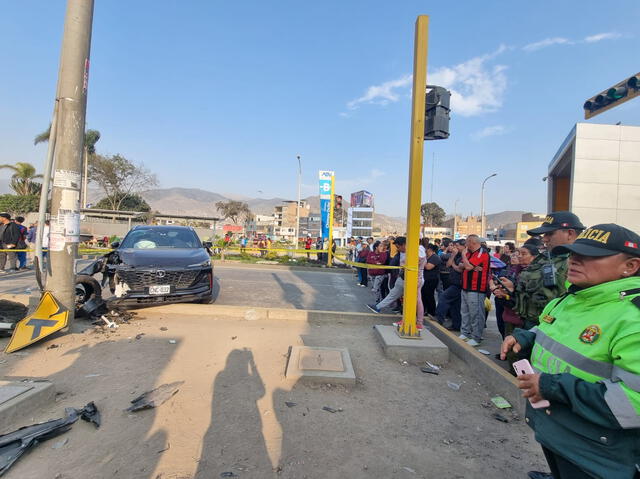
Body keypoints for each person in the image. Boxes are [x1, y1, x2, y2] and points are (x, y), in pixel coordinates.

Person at [501, 223, 640, 479]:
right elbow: (547, 332)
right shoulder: (570, 299)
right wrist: (523, 338)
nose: (575, 261)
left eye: (591, 257)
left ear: (629, 266)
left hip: (598, 454)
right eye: (575, 254)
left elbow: (634, 403)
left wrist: (553, 386)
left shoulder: (633, 318)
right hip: (558, 432)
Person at [506, 212, 585, 330]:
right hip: (530, 325)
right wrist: (512, 290)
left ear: (569, 233)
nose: (544, 239)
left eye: (549, 234)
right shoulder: (544, 258)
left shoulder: (581, 263)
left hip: (557, 328)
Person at [458, 234, 490, 347]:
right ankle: (465, 333)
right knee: (465, 312)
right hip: (466, 287)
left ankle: (476, 337)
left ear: (473, 242)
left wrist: (466, 261)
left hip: (476, 289)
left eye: (467, 242)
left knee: (476, 313)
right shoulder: (469, 253)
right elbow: (461, 265)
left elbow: (467, 266)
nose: (465, 245)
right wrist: (469, 265)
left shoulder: (482, 253)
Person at [367, 236, 406, 314]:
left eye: (398, 247)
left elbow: (389, 262)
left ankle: (415, 319)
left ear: (404, 244)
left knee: (411, 298)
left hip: (411, 279)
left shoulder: (413, 253)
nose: (397, 249)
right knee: (393, 294)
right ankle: (378, 307)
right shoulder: (400, 253)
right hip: (402, 277)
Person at [435, 239, 465, 331]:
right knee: (455, 306)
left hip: (459, 284)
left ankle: (439, 318)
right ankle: (456, 325)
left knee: (444, 297)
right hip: (453, 282)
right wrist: (453, 256)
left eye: (457, 246)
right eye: (453, 246)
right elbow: (448, 265)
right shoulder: (456, 255)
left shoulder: (465, 256)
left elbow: (460, 269)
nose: (454, 248)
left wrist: (454, 265)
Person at [421, 243, 441, 318]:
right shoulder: (427, 257)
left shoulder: (435, 257)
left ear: (429, 249)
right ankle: (424, 310)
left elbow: (428, 267)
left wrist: (422, 261)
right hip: (425, 279)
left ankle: (431, 312)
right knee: (424, 295)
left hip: (431, 279)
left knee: (429, 295)